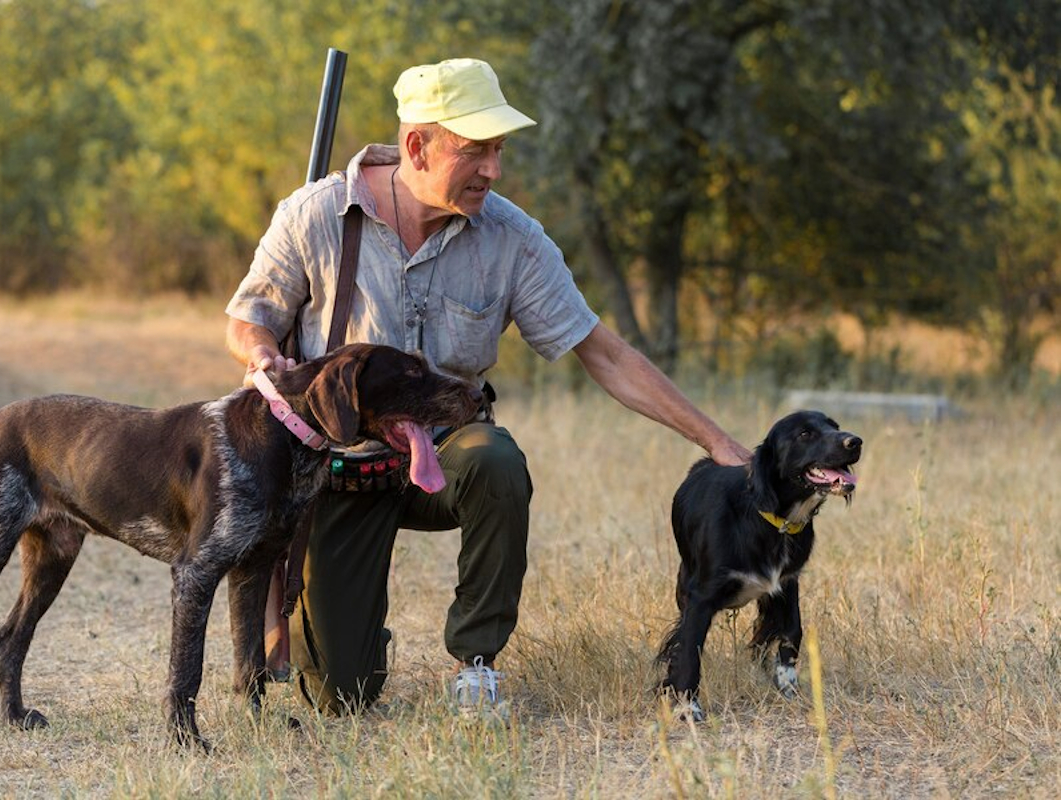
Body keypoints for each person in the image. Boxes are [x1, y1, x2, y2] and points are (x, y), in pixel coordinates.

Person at [225, 58, 752, 717]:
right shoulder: (315, 214)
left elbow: (606, 354)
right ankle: (344, 636)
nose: (494, 171)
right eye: (476, 151)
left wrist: (718, 442)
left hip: (443, 454)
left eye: (499, 150)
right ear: (417, 146)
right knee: (342, 696)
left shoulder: (514, 238)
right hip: (340, 469)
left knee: (496, 460)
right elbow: (249, 319)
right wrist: (264, 354)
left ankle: (475, 664)